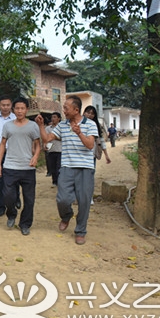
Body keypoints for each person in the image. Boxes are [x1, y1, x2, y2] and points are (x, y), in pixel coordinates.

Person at [35, 95, 98, 245]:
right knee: (62, 199)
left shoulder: (90, 124)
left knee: (84, 201)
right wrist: (41, 126)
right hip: (67, 167)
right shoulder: (62, 125)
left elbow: (90, 145)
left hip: (86, 168)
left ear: (76, 110)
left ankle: (80, 231)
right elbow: (47, 139)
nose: (64, 110)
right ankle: (67, 215)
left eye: (66, 108)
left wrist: (79, 133)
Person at [0, 97, 40, 236]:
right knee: (8, 196)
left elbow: (38, 145)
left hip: (27, 168)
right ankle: (11, 214)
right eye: (17, 108)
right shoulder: (8, 126)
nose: (20, 111)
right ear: (13, 110)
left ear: (27, 110)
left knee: (29, 199)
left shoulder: (33, 126)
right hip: (10, 166)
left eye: (22, 108)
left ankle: (25, 224)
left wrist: (35, 157)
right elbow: (2, 144)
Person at [45, 112, 62, 188]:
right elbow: (46, 138)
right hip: (51, 149)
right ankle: (54, 181)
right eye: (52, 117)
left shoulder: (62, 127)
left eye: (55, 117)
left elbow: (63, 137)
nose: (53, 119)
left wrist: (54, 137)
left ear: (59, 118)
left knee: (59, 167)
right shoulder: (48, 128)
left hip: (60, 150)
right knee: (52, 167)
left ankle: (59, 181)